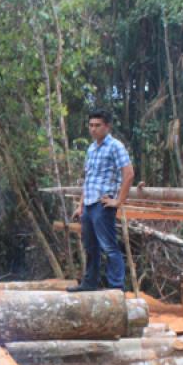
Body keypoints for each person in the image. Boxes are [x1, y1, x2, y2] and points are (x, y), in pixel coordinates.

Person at [67, 109, 135, 292]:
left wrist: (118, 201)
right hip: (89, 204)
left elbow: (128, 174)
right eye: (91, 125)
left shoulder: (115, 146)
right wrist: (80, 205)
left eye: (98, 125)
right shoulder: (91, 148)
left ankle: (116, 288)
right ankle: (89, 283)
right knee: (90, 246)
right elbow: (89, 178)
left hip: (103, 204)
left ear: (107, 126)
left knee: (109, 246)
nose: (93, 129)